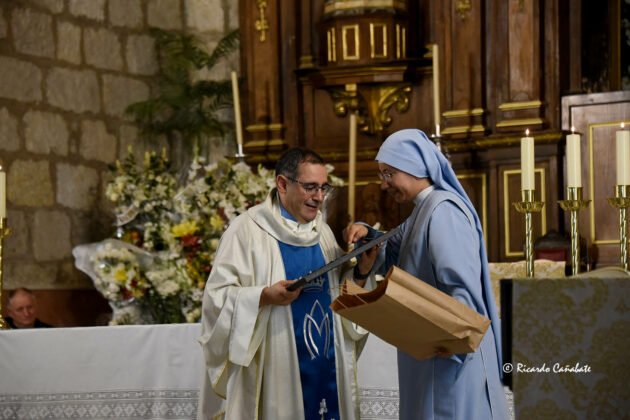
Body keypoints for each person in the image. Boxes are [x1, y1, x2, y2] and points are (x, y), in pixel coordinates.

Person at [197, 147, 378, 420]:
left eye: (323, 188)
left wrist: (362, 271)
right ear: (282, 184)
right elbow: (215, 298)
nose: (319, 197)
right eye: (310, 187)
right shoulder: (246, 231)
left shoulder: (322, 232)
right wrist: (263, 296)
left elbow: (338, 296)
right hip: (278, 372)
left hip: (326, 365)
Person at [345, 129, 509, 420]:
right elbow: (391, 251)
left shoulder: (444, 210)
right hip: (436, 349)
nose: (383, 184)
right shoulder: (423, 210)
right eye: (382, 175)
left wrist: (455, 337)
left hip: (451, 354)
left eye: (389, 174)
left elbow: (461, 284)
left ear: (413, 166)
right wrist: (366, 235)